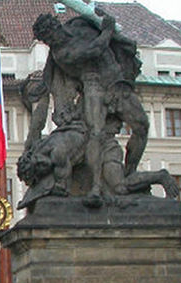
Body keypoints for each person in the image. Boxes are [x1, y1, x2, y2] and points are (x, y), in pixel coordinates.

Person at [32, 10, 149, 206]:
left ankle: (130, 171)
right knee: (95, 133)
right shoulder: (61, 54)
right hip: (93, 86)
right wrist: (108, 31)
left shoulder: (78, 25)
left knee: (142, 127)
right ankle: (95, 186)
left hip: (117, 82)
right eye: (48, 40)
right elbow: (94, 50)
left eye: (51, 34)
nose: (52, 41)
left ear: (56, 26)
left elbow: (95, 18)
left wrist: (101, 18)